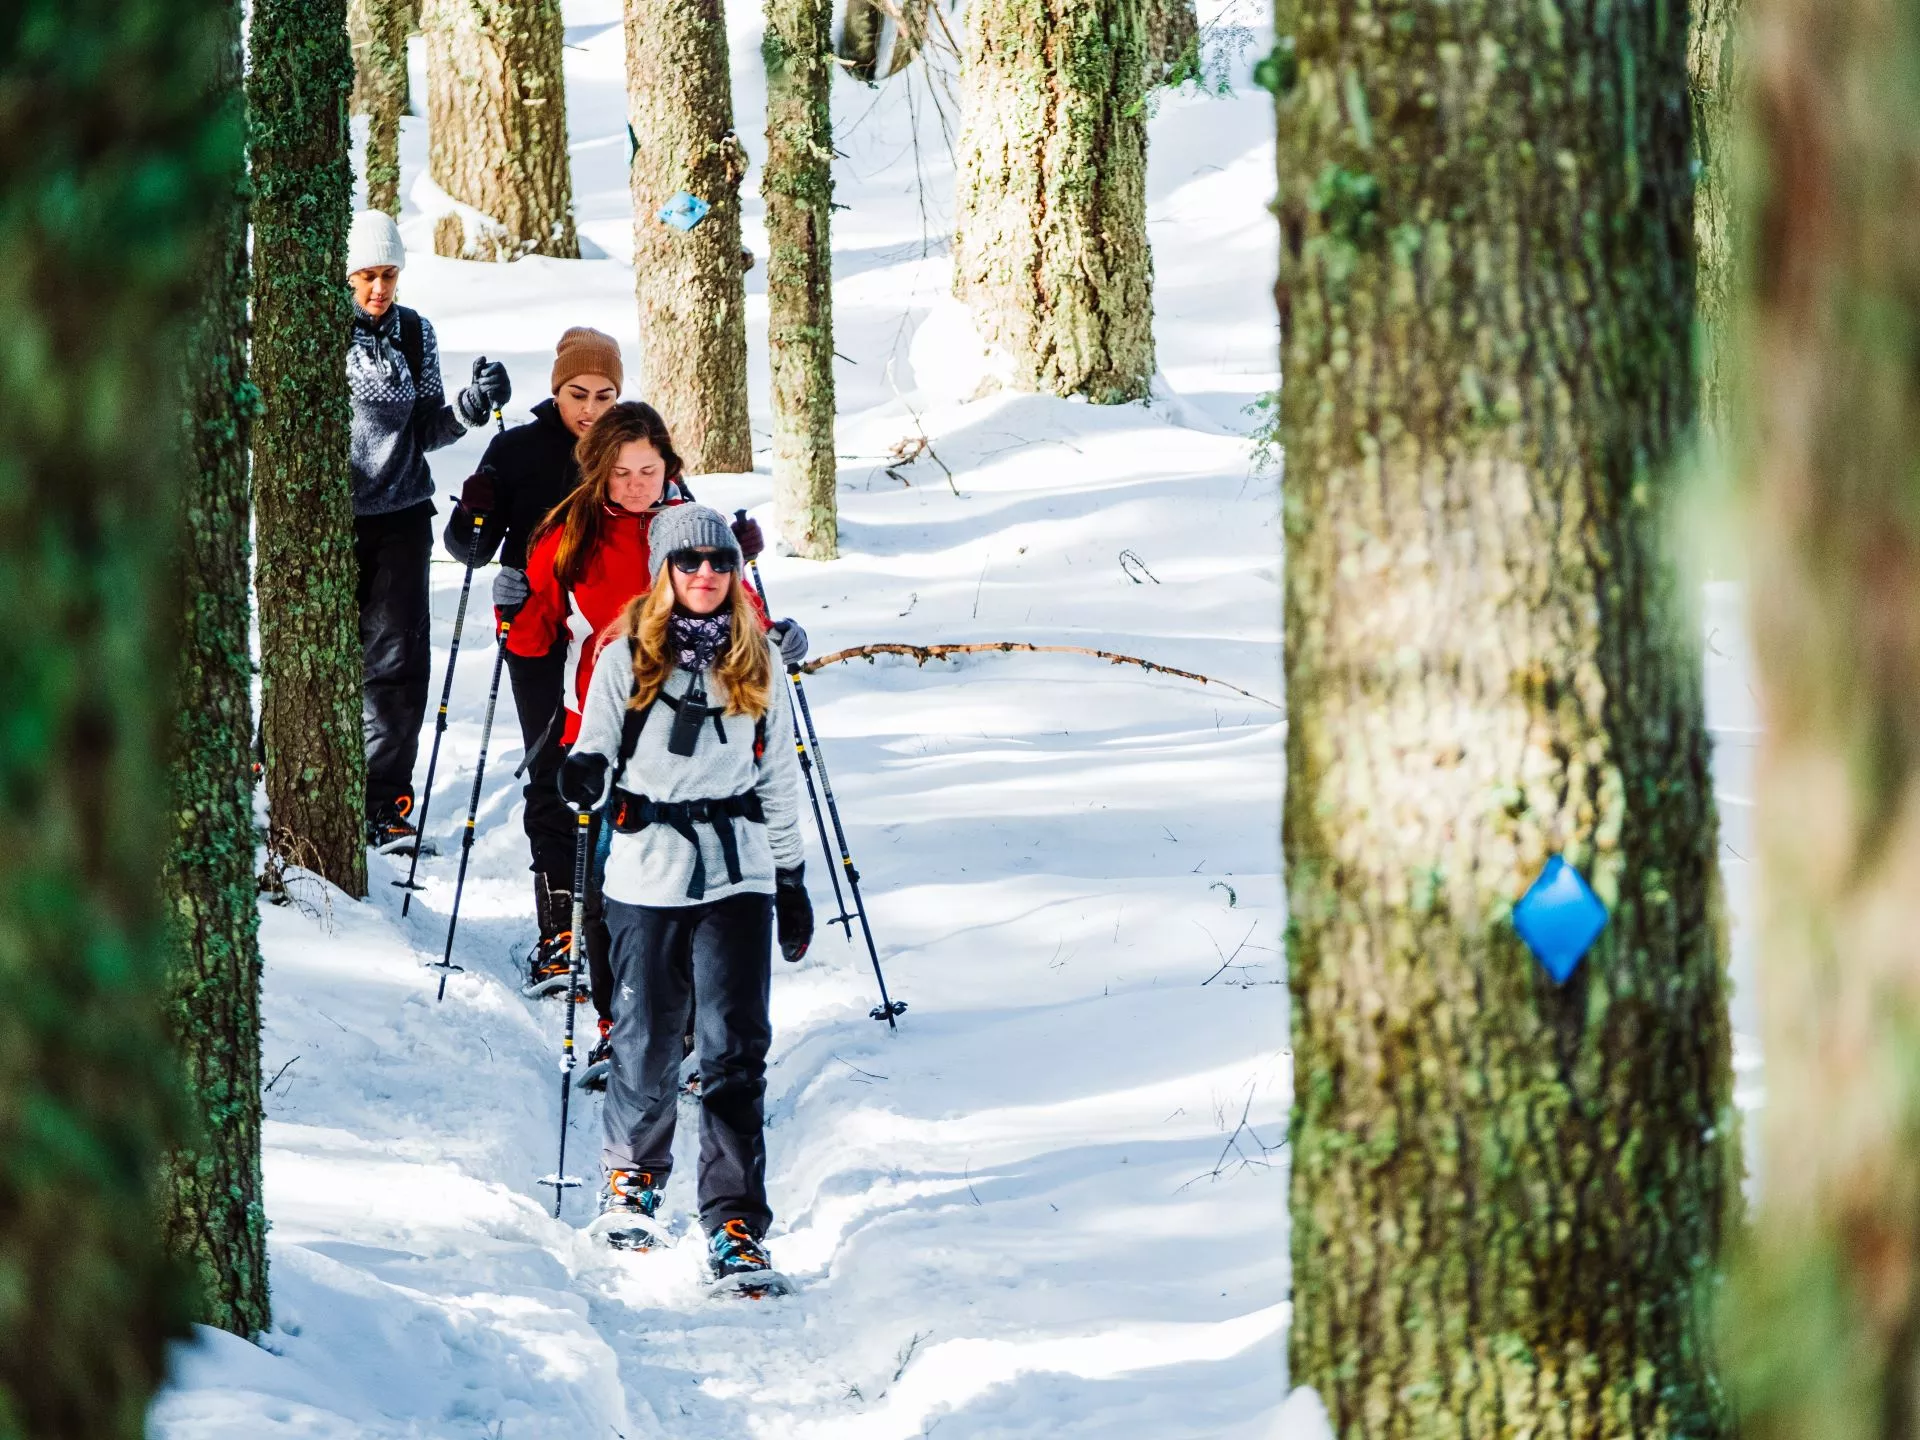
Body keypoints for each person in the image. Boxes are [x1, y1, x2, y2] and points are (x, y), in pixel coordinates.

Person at [507, 404, 808, 1084]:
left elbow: (737, 613)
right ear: (598, 471)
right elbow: (536, 633)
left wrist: (776, 631)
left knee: (703, 883)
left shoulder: (696, 530)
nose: (638, 484)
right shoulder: (567, 535)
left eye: (650, 470)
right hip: (608, 728)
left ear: (669, 466)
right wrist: (514, 606)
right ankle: (623, 1028)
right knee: (616, 886)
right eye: (623, 473)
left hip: (706, 730)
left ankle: (696, 1033)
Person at [558, 504, 814, 1290]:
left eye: (722, 563)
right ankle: (631, 1181)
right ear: (665, 571)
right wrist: (585, 774)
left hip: (737, 873)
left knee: (736, 1050)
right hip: (645, 873)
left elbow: (777, 777)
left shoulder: (758, 656)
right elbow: (594, 744)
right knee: (646, 1036)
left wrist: (794, 879)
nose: (708, 574)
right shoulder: (624, 654)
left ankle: (735, 1220)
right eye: (692, 561)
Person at [347, 209, 512, 851]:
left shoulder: (417, 334)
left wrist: (471, 406)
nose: (379, 290)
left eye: (388, 275)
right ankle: (267, 767)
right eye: (366, 277)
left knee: (396, 665)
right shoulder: (317, 332)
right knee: (314, 653)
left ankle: (384, 805)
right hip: (331, 520)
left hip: (402, 518)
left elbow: (426, 432)